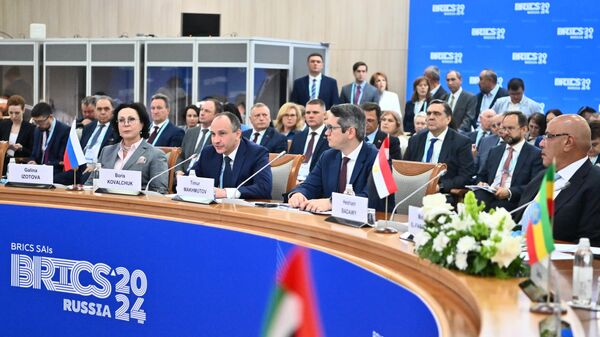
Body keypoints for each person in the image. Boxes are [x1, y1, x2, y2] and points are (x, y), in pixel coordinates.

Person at [515, 115, 600, 246]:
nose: (541, 143)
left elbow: (590, 244)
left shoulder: (595, 183)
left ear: (568, 142)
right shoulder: (541, 177)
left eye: (548, 136)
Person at [288, 104, 381, 212]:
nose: (326, 133)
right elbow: (310, 186)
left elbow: (372, 200)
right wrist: (298, 194)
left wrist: (333, 202)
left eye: (331, 128)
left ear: (350, 132)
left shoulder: (378, 159)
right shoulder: (327, 156)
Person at [191, 112, 272, 199]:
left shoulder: (257, 153)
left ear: (237, 134)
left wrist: (226, 193)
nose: (216, 140)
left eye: (222, 133)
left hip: (242, 209)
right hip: (212, 209)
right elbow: (192, 177)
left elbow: (264, 188)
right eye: (213, 134)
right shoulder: (208, 152)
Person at [475, 111, 543, 212]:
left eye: (510, 128)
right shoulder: (495, 151)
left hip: (511, 201)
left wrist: (509, 192)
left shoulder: (535, 154)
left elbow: (534, 187)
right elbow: (482, 175)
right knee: (476, 199)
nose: (506, 132)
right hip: (488, 194)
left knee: (499, 208)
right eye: (504, 128)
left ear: (524, 129)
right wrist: (481, 183)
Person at [403, 99, 474, 194]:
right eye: (429, 113)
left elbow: (466, 176)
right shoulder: (415, 140)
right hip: (414, 190)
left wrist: (440, 187)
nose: (431, 117)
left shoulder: (461, 142)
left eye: (437, 114)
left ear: (448, 119)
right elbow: (405, 168)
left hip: (443, 193)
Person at [93, 103, 168, 193]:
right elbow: (91, 183)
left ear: (142, 124)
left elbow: (159, 192)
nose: (126, 124)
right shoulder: (106, 151)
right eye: (121, 120)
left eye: (131, 119)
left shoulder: (156, 155)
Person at [175, 98, 222, 176]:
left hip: (204, 179)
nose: (202, 113)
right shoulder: (191, 132)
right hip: (184, 177)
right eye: (201, 109)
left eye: (207, 111)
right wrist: (178, 171)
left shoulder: (218, 136)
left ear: (216, 115)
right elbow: (181, 156)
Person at [27, 102, 71, 184]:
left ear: (50, 117)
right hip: (37, 172)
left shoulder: (64, 131)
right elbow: (34, 154)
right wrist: (32, 161)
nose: (38, 125)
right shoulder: (37, 130)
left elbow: (62, 160)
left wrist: (43, 167)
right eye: (35, 121)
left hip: (55, 172)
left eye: (40, 121)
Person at [289, 99, 330, 180]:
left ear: (324, 115)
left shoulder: (330, 135)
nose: (311, 116)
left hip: (317, 181)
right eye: (308, 113)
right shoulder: (298, 137)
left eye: (315, 112)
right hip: (295, 180)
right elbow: (291, 163)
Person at [80, 95, 118, 167]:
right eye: (99, 109)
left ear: (112, 111)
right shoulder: (88, 127)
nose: (103, 112)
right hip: (81, 167)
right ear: (95, 111)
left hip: (99, 168)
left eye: (106, 109)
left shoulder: (117, 129)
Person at [0, 95, 34, 172]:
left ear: (23, 110)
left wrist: (21, 148)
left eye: (17, 113)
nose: (13, 116)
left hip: (21, 166)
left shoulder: (31, 128)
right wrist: (4, 146)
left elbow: (33, 152)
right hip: (3, 164)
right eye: (10, 113)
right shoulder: (2, 125)